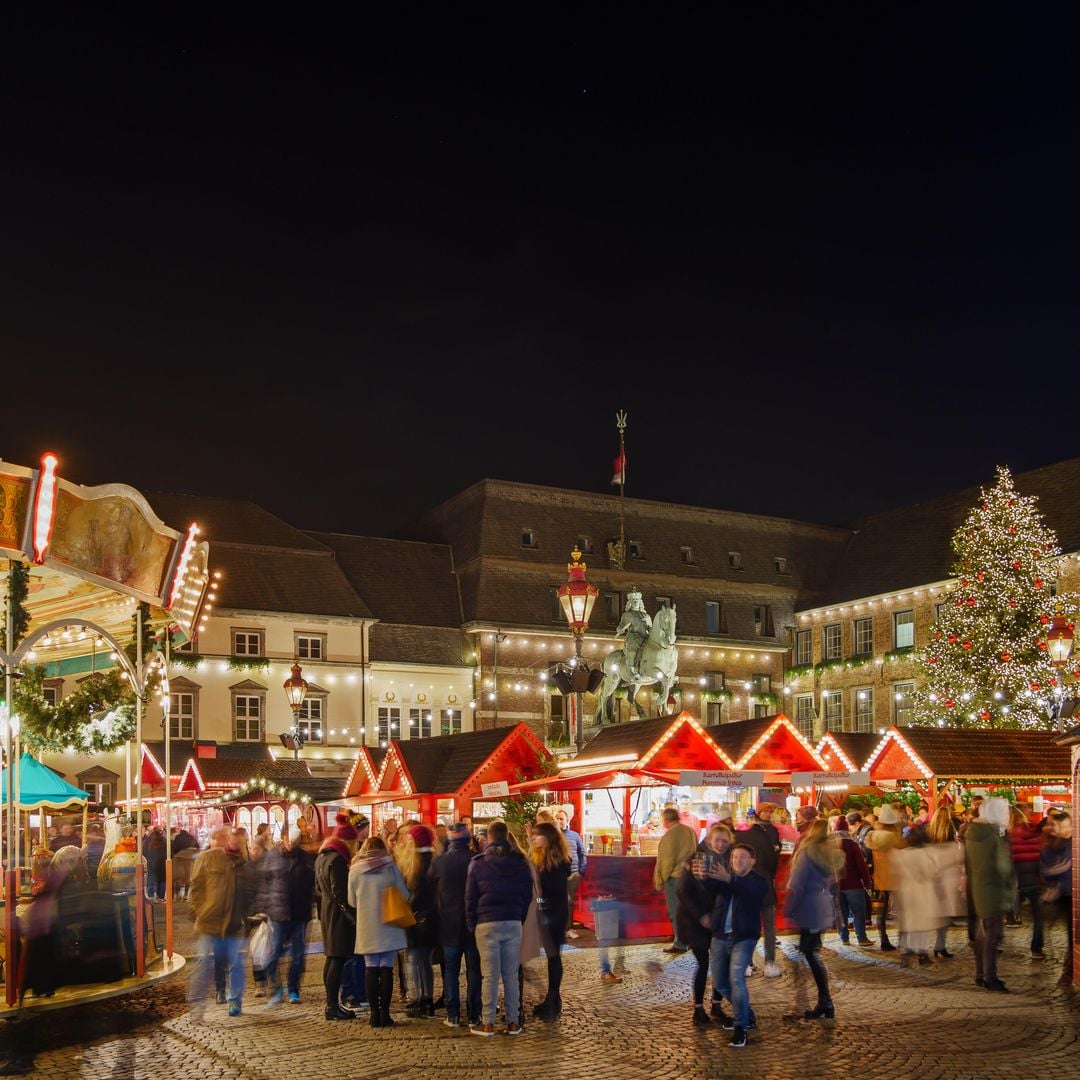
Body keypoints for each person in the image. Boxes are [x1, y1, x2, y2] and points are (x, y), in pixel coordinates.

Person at [465, 818, 534, 1037]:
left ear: (490, 837)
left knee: (490, 975)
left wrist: (472, 923)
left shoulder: (477, 863)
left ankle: (488, 1023)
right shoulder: (521, 862)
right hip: (512, 921)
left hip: (486, 923)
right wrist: (519, 917)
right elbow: (528, 895)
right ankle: (513, 1022)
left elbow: (470, 897)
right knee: (511, 975)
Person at [699, 841, 768, 1048]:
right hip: (720, 936)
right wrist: (704, 873)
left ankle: (741, 1028)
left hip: (743, 937)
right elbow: (710, 887)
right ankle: (747, 1014)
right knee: (720, 983)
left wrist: (727, 878)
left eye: (742, 857)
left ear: (752, 860)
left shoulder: (758, 881)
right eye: (734, 857)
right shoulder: (726, 879)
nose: (737, 860)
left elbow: (750, 892)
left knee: (736, 978)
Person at [187, 825, 254, 1018]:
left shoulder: (241, 862)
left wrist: (248, 915)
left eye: (231, 838)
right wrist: (199, 912)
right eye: (225, 838)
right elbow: (196, 888)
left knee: (236, 965)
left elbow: (247, 891)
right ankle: (196, 1003)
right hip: (209, 922)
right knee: (204, 963)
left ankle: (235, 1001)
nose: (228, 841)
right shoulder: (206, 858)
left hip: (233, 923)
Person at [784, 818, 843, 1022]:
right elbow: (834, 882)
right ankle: (823, 1001)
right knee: (810, 952)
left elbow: (797, 884)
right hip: (822, 906)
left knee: (809, 953)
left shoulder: (807, 854)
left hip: (809, 908)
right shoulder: (828, 854)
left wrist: (788, 909)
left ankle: (824, 1001)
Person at [350, 836, 411, 1028]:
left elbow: (351, 900)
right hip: (389, 922)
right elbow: (405, 894)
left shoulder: (355, 870)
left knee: (370, 968)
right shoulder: (390, 866)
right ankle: (385, 1014)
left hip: (367, 924)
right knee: (386, 968)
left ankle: (374, 1015)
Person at [430, 821, 482, 1028]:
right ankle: (474, 1014)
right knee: (474, 971)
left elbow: (430, 889)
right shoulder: (476, 860)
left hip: (448, 923)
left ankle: (453, 1014)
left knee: (450, 971)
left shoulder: (439, 862)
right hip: (472, 924)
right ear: (468, 839)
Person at [677, 822, 730, 1025]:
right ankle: (698, 1009)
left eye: (725, 841)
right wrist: (701, 916)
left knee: (719, 962)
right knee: (704, 963)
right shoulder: (695, 860)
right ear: (709, 840)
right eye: (718, 840)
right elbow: (682, 891)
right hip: (694, 921)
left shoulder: (727, 862)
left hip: (717, 920)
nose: (721, 844)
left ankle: (716, 1005)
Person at [259, 824, 317, 1006]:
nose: (291, 841)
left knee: (298, 956)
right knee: (273, 954)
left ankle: (293, 989)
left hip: (300, 914)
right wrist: (264, 908)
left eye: (294, 838)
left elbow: (313, 885)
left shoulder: (307, 859)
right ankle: (276, 988)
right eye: (288, 838)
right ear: (283, 837)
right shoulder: (273, 857)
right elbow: (265, 884)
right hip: (278, 914)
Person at [964, 796, 1013, 992]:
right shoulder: (992, 835)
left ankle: (980, 973)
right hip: (992, 890)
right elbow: (1003, 866)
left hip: (978, 888)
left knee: (982, 935)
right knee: (993, 935)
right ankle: (990, 977)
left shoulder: (973, 832)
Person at [314, 811, 360, 1020]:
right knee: (337, 960)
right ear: (348, 841)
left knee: (332, 959)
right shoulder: (338, 860)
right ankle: (332, 1005)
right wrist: (350, 915)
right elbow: (339, 892)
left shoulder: (322, 856)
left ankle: (332, 1003)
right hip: (337, 916)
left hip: (327, 911)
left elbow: (319, 888)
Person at [529, 821, 571, 1021]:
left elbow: (551, 892)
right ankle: (552, 998)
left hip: (553, 914)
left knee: (554, 956)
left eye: (538, 835)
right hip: (548, 912)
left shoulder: (558, 862)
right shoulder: (541, 858)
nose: (535, 839)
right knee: (552, 956)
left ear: (549, 838)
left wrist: (538, 901)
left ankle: (553, 999)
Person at [396, 823, 439, 1018]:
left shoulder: (413, 864)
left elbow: (412, 893)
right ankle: (428, 999)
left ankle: (417, 998)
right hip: (433, 919)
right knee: (426, 961)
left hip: (416, 918)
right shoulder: (436, 860)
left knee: (413, 959)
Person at [740, 801, 784, 975]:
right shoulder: (768, 835)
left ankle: (747, 964)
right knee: (769, 926)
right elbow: (773, 863)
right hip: (765, 885)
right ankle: (770, 964)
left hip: (748, 887)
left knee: (749, 925)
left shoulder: (743, 837)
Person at [653, 807, 698, 954]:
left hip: (675, 877)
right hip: (689, 876)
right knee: (688, 910)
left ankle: (680, 942)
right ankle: (692, 940)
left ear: (665, 820)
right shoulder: (689, 831)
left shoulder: (670, 835)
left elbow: (667, 860)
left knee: (676, 911)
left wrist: (662, 879)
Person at [925, 805, 964, 958]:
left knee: (938, 910)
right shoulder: (951, 831)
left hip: (933, 874)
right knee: (946, 911)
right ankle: (940, 944)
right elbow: (957, 854)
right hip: (948, 874)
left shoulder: (929, 831)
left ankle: (938, 945)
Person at [865, 803, 905, 950]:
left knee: (881, 912)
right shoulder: (895, 838)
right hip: (896, 877)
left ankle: (883, 940)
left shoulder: (872, 837)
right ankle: (903, 940)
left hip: (879, 878)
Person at [1040, 809, 1073, 987]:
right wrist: (1065, 866)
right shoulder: (1051, 846)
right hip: (1065, 894)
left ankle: (1068, 971)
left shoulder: (1069, 842)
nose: (1070, 829)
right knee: (1072, 935)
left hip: (1066, 893)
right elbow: (1046, 870)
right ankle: (1068, 972)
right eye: (1066, 826)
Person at [1008, 804, 1044, 957]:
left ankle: (995, 943)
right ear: (1022, 814)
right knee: (1038, 916)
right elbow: (1040, 854)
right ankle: (1036, 947)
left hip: (1016, 880)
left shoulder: (1008, 835)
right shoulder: (1031, 832)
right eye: (1028, 812)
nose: (1031, 814)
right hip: (1034, 879)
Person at [832, 816, 873, 947]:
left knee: (841, 913)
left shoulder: (830, 846)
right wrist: (867, 882)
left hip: (837, 885)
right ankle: (862, 938)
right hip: (854, 884)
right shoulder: (852, 844)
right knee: (858, 912)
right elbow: (861, 866)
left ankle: (844, 938)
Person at [552, 807, 586, 938]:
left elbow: (582, 853)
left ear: (567, 820)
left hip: (573, 873)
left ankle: (568, 928)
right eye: (557, 818)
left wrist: (582, 870)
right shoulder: (553, 837)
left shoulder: (575, 835)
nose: (559, 821)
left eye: (561, 818)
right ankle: (562, 928)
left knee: (569, 900)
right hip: (557, 874)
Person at [614, 588, 652, 680]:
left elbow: (650, 627)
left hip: (646, 638)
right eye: (633, 601)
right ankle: (631, 669)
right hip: (634, 637)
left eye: (637, 601)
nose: (636, 602)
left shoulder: (646, 616)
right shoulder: (627, 615)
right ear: (630, 602)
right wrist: (620, 629)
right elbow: (621, 626)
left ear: (640, 602)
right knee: (633, 648)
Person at [145, 827, 166, 900]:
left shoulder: (148, 840)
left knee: (151, 879)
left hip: (151, 863)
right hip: (162, 864)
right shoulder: (164, 840)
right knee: (162, 880)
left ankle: (151, 896)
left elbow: (144, 851)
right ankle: (161, 897)